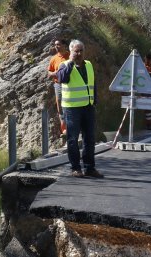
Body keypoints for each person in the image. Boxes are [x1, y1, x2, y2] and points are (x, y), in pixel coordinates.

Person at [56, 39, 103, 178]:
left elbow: (92, 84)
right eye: (76, 51)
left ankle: (90, 168)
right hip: (72, 109)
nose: (79, 53)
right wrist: (70, 62)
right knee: (73, 139)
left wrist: (94, 101)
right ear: (70, 52)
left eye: (81, 50)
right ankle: (75, 168)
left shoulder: (88, 64)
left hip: (88, 107)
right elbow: (62, 79)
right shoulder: (64, 65)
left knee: (90, 138)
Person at [46, 38, 69, 135]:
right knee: (60, 106)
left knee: (70, 106)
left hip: (70, 85)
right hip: (58, 85)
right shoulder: (54, 59)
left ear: (64, 45)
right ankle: (64, 129)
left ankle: (74, 128)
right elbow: (49, 72)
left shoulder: (70, 56)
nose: (57, 47)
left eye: (59, 44)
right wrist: (56, 73)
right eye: (55, 45)